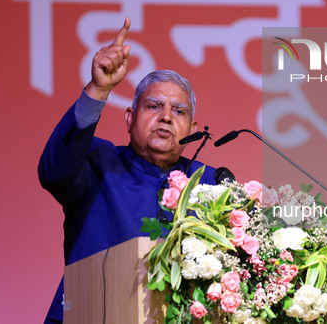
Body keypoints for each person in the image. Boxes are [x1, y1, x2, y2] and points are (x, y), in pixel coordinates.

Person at [39, 18, 217, 323]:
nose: (165, 118)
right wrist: (97, 89)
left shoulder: (211, 182)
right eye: (153, 106)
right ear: (130, 117)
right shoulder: (99, 161)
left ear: (193, 128)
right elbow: (54, 170)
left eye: (178, 111)